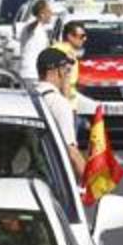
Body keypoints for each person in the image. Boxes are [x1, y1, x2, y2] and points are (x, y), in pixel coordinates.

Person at [36, 48, 87, 179]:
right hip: (52, 178)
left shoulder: (28, 96)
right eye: (67, 70)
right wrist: (92, 184)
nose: (68, 76)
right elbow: (71, 152)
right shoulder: (58, 104)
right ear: (58, 71)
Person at [52, 20, 87, 110]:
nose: (84, 39)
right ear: (70, 36)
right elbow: (65, 80)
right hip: (65, 103)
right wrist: (66, 105)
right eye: (82, 36)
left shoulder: (55, 48)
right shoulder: (67, 54)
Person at [17, 0, 54, 81]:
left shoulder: (41, 29)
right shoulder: (31, 26)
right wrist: (38, 20)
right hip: (31, 73)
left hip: (34, 73)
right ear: (42, 14)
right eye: (49, 12)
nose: (51, 14)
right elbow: (31, 28)